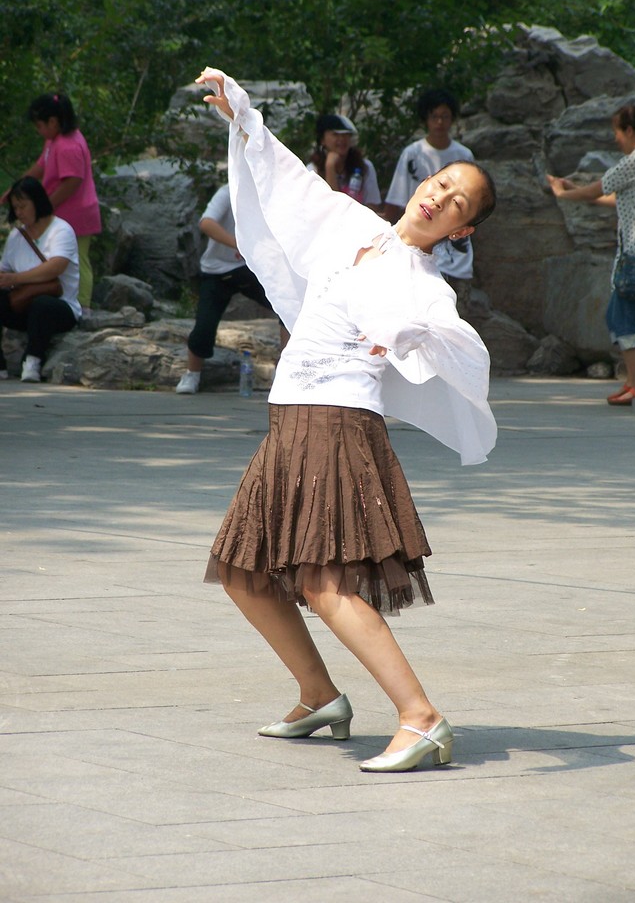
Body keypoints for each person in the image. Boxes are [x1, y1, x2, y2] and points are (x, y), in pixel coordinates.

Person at [196, 66, 497, 773]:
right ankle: (318, 694)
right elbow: (293, 186)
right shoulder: (356, 227)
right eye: (439, 183)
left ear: (462, 227)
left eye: (456, 202)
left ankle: (420, 718)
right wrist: (244, 116)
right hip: (291, 419)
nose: (439, 197)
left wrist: (417, 338)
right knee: (244, 572)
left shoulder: (421, 284)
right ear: (421, 183)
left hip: (337, 426)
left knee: (323, 582)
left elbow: (460, 346)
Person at [547, 103, 635, 406]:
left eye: (617, 132)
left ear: (629, 131)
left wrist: (564, 194)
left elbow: (598, 188)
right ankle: (634, 382)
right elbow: (616, 197)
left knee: (623, 315)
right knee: (621, 314)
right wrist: (574, 188)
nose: (616, 138)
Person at [175, 183, 285, 394]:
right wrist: (238, 244)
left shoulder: (271, 192)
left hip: (252, 268)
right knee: (204, 326)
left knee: (288, 307)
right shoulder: (228, 191)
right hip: (218, 270)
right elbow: (206, 223)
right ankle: (192, 374)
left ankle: (285, 369)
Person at [3, 94, 100, 312]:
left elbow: (72, 182)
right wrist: (17, 187)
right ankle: (53, 297)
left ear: (53, 122)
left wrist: (43, 205)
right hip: (57, 212)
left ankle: (82, 305)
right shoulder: (53, 141)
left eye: (39, 125)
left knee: (78, 259)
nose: (38, 131)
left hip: (77, 213)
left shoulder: (68, 146)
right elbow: (41, 166)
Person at [384, 88, 476, 316]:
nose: (439, 122)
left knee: (455, 314)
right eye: (434, 116)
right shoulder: (413, 154)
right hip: (417, 248)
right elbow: (397, 201)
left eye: (444, 116)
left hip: (456, 255)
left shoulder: (465, 157)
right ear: (426, 119)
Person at [0, 177, 81, 382]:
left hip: (59, 307)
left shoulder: (61, 230)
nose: (19, 212)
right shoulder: (16, 236)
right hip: (22, 305)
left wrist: (17, 278)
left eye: (23, 206)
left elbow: (56, 266)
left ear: (37, 202)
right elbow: (4, 269)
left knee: (42, 305)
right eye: (15, 207)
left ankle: (32, 361)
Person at [307, 113, 382, 211]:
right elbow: (331, 208)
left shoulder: (365, 167)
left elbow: (373, 206)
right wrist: (330, 167)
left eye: (346, 135)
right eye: (335, 134)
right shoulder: (312, 170)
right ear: (322, 140)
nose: (342, 139)